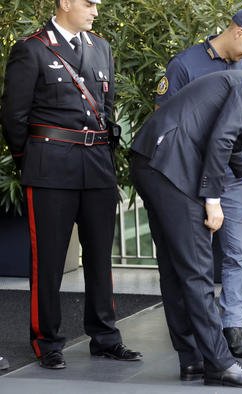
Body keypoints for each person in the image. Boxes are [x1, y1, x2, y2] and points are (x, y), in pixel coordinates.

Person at [130, 68, 242, 387]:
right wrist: (212, 199)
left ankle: (194, 358)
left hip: (153, 162)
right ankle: (220, 363)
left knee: (175, 267)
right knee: (197, 270)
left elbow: (231, 147)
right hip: (172, 167)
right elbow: (222, 138)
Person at [1, 0, 141, 369]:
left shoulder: (101, 48)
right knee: (47, 260)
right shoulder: (32, 48)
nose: (95, 11)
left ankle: (106, 337)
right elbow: (14, 117)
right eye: (89, 3)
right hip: (50, 168)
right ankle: (46, 341)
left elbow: (106, 107)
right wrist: (30, 161)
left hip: (96, 167)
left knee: (100, 258)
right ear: (65, 3)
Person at [154, 7, 242, 358]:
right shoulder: (184, 65)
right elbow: (166, 123)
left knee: (238, 252)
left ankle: (233, 326)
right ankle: (200, 331)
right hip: (192, 177)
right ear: (238, 32)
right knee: (199, 257)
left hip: (235, 174)